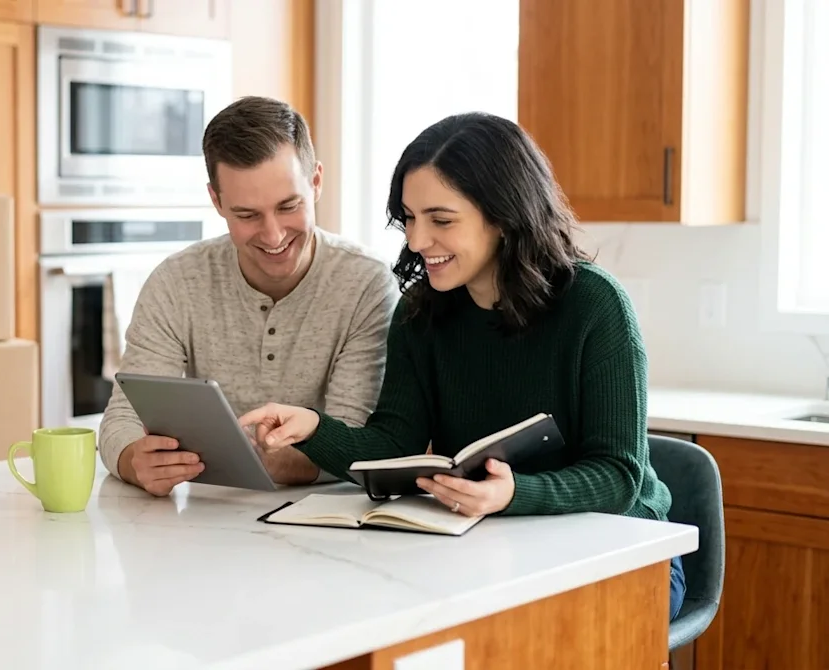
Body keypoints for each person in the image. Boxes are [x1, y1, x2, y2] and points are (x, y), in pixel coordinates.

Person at [237, 111, 687, 621]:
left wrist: (514, 492)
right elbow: (393, 446)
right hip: (498, 548)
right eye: (408, 217)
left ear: (503, 215)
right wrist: (312, 427)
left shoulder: (594, 306)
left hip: (625, 551)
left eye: (441, 220)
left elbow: (619, 476)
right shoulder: (420, 314)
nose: (415, 240)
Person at [98, 95, 399, 497]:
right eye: (247, 215)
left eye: (289, 206)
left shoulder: (366, 283)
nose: (273, 236)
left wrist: (292, 463)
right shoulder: (176, 282)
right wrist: (135, 460)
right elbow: (121, 420)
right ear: (217, 201)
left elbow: (356, 436)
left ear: (316, 182)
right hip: (205, 522)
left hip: (327, 524)